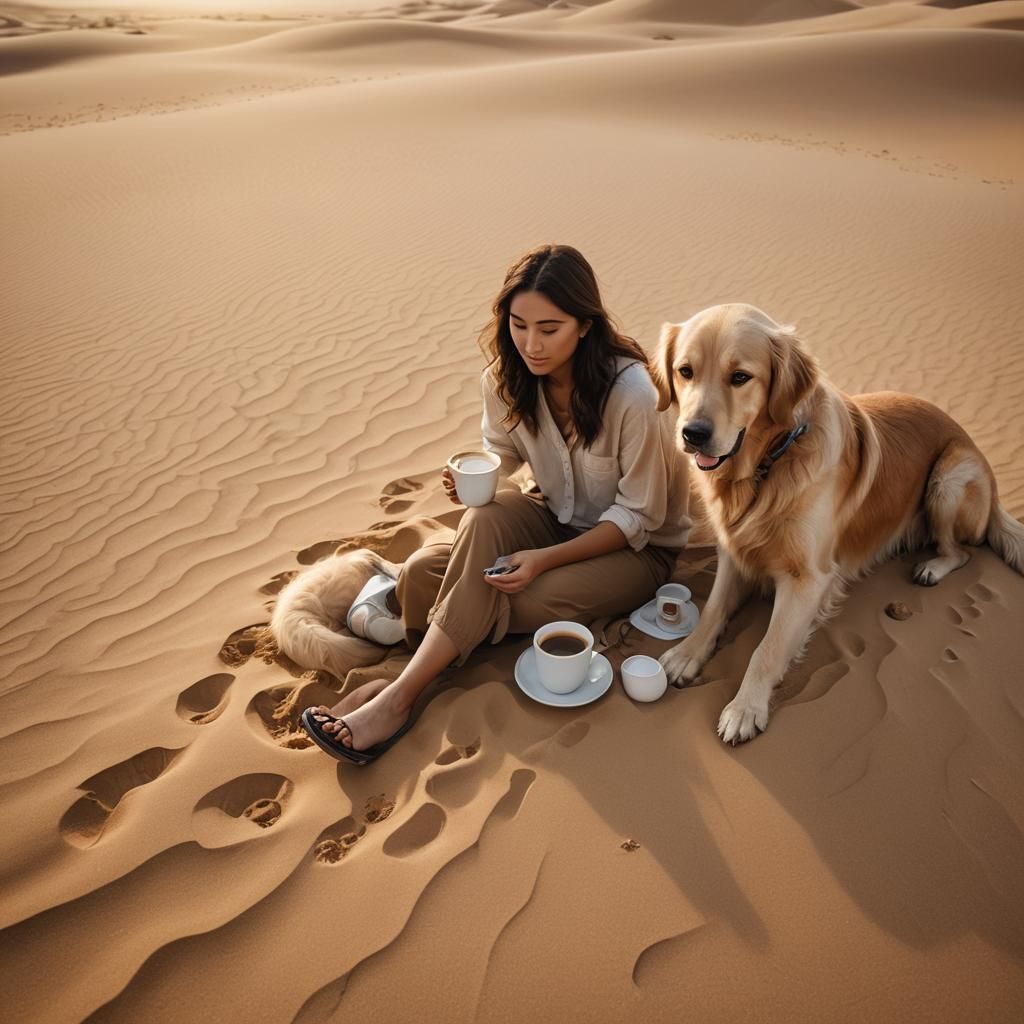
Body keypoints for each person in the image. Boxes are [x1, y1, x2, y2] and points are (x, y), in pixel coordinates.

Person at [299, 243, 692, 762]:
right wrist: (469, 478)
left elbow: (638, 517)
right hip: (551, 519)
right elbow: (501, 453)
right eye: (518, 324)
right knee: (436, 558)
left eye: (549, 329)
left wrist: (541, 561)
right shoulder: (505, 379)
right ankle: (428, 646)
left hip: (635, 551)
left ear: (585, 325)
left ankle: (398, 695)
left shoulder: (632, 394)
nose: (531, 344)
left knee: (500, 594)